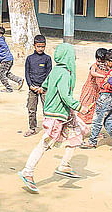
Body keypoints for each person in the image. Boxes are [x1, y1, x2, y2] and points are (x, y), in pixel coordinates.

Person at [17, 44, 90, 193]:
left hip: (64, 113)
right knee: (44, 143)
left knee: (77, 134)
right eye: (72, 55)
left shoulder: (55, 70)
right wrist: (79, 107)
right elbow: (64, 95)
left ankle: (64, 164)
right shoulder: (64, 73)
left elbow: (45, 84)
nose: (74, 57)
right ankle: (28, 171)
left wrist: (43, 89)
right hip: (56, 114)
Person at [80, 48, 112, 151]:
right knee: (107, 122)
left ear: (111, 61)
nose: (105, 64)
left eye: (107, 62)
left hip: (106, 96)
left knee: (97, 120)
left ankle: (92, 142)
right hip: (111, 97)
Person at [23, 34, 52, 137]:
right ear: (34, 46)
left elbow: (49, 74)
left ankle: (48, 129)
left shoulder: (47, 58)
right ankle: (32, 128)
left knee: (47, 109)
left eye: (42, 46)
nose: (40, 49)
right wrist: (30, 85)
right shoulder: (29, 58)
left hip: (44, 89)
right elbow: (27, 73)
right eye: (38, 46)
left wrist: (43, 87)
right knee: (31, 109)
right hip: (33, 88)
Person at [77, 48, 108, 124]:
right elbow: (93, 73)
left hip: (97, 91)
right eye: (98, 61)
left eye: (102, 62)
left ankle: (92, 127)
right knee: (85, 106)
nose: (100, 63)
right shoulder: (94, 66)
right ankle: (80, 125)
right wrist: (103, 76)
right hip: (89, 90)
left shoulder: (105, 67)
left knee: (94, 109)